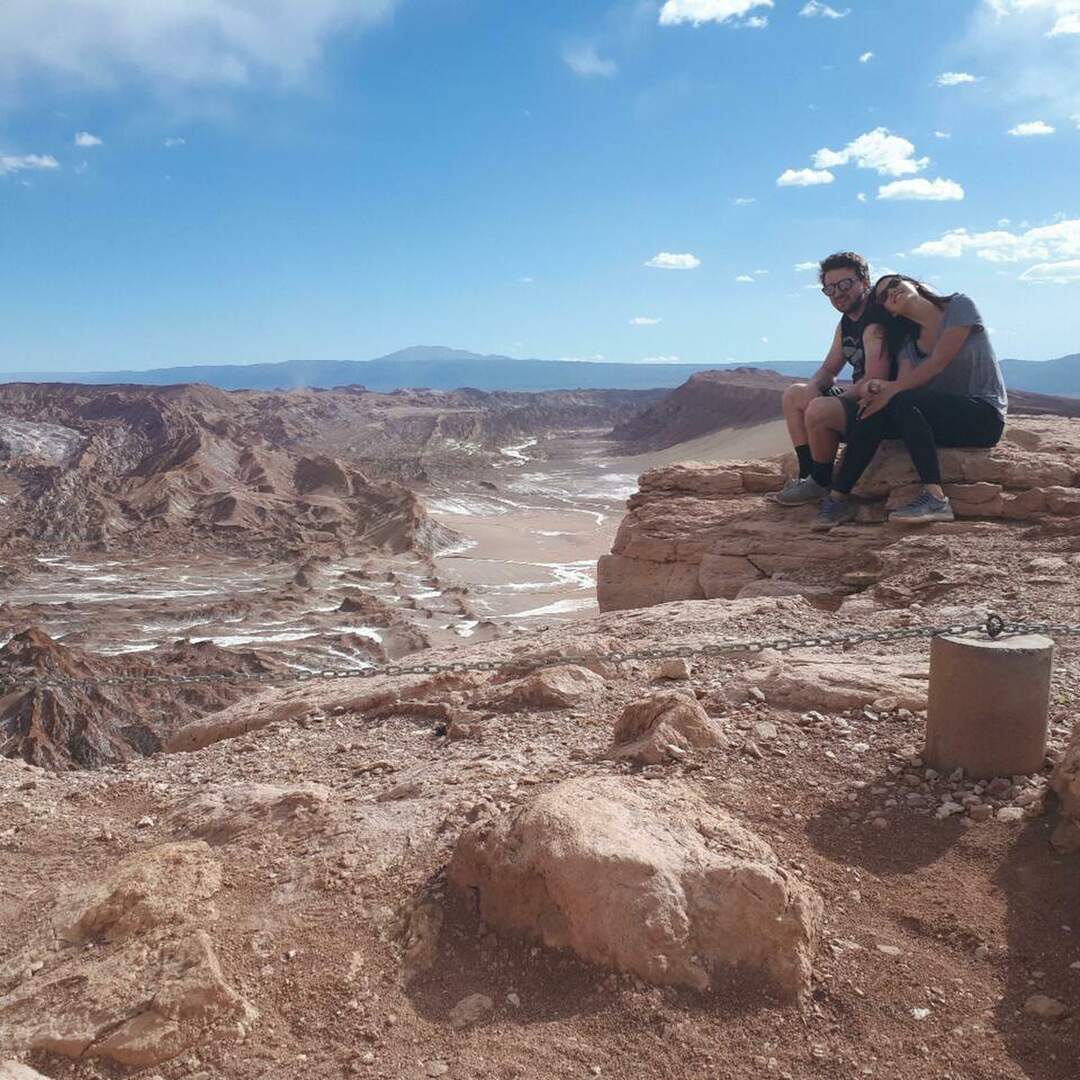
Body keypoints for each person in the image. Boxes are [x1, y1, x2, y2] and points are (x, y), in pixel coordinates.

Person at [811, 274, 1008, 530]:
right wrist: (876, 390)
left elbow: (937, 363)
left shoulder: (958, 306)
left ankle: (936, 499)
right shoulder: (908, 344)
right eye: (883, 297)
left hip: (983, 416)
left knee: (898, 398)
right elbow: (903, 385)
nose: (890, 293)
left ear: (913, 283)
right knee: (878, 408)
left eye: (894, 284)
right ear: (889, 312)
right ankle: (838, 499)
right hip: (942, 420)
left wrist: (890, 390)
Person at [775, 251, 891, 506]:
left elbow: (876, 380)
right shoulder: (847, 323)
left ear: (864, 280)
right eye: (829, 288)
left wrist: (826, 403)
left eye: (845, 284)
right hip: (859, 397)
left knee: (819, 408)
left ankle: (822, 480)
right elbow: (829, 370)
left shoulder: (876, 321)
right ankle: (809, 476)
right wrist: (814, 388)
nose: (837, 293)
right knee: (795, 393)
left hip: (880, 406)